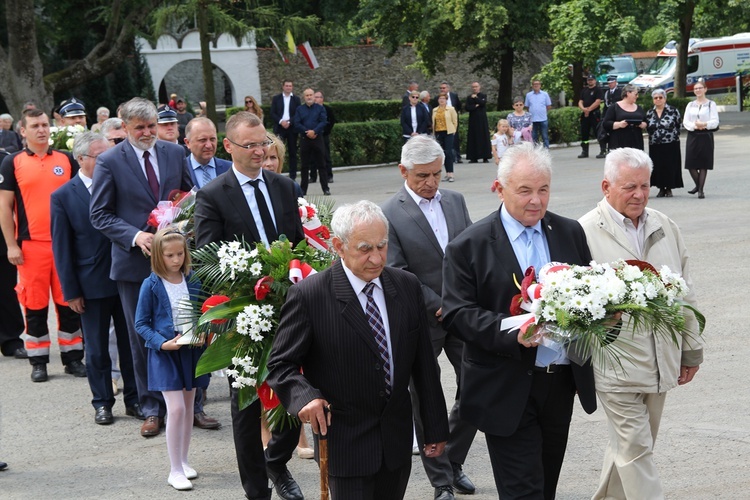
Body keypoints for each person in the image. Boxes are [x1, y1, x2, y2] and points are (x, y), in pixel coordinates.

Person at [441, 142, 597, 499]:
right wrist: (512, 333)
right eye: (525, 190)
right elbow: (457, 313)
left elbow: (587, 294)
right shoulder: (469, 245)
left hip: (559, 384)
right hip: (505, 386)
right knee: (523, 492)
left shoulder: (570, 231)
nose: (536, 201)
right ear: (500, 188)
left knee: (545, 488)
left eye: (543, 190)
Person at [267, 200, 450, 500]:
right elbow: (281, 364)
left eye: (382, 246)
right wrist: (306, 398)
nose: (376, 258)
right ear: (339, 246)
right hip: (344, 443)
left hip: (395, 443)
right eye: (365, 248)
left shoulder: (406, 286)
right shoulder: (310, 296)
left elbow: (424, 365)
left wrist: (434, 427)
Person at [578, 147, 704, 500]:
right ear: (606, 186)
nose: (639, 194)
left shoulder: (665, 225)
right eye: (629, 187)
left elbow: (684, 293)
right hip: (614, 365)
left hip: (661, 359)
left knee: (631, 448)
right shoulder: (583, 232)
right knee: (635, 447)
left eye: (645, 186)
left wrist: (691, 350)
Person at [193, 111, 305, 500]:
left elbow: (299, 245)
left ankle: (277, 460)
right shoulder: (211, 195)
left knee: (295, 394)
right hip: (244, 317)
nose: (260, 151)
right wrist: (249, 288)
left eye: (264, 144)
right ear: (229, 146)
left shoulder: (284, 186)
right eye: (250, 145)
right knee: (246, 407)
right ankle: (256, 490)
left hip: (291, 310)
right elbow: (207, 264)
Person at [90, 97, 194, 438]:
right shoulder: (108, 161)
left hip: (177, 261)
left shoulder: (175, 153)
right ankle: (152, 408)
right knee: (143, 336)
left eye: (151, 126)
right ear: (125, 127)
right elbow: (100, 214)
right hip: (134, 265)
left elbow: (190, 197)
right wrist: (136, 237)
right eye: (140, 128)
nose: (148, 133)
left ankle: (193, 401)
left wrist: (182, 225)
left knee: (185, 325)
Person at [381, 136, 476, 500]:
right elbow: (398, 271)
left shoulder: (455, 201)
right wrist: (440, 304)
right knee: (426, 398)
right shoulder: (390, 212)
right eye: (422, 176)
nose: (431, 183)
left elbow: (469, 253)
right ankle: (440, 481)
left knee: (477, 388)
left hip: (461, 315)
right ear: (403, 171)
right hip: (421, 319)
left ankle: (452, 461)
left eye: (436, 174)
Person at [50, 132, 139, 425]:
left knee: (130, 345)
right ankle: (102, 402)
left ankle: (135, 399)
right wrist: (71, 291)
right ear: (81, 159)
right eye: (100, 158)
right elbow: (62, 248)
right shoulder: (63, 196)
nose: (106, 163)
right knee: (98, 349)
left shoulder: (117, 185)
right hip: (91, 284)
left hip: (124, 277)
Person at [0, 109, 85, 383]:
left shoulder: (66, 159)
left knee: (69, 302)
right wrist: (11, 245)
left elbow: (78, 200)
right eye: (35, 125)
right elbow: (4, 206)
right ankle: (38, 361)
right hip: (31, 246)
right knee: (34, 306)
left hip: (65, 245)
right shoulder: (12, 162)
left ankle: (73, 358)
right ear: (22, 131)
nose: (41, 130)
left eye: (45, 124)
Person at [134, 228, 209, 491]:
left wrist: (202, 333)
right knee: (175, 409)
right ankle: (174, 469)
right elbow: (141, 323)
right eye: (169, 255)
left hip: (190, 352)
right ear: (158, 255)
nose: (176, 260)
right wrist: (162, 343)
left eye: (180, 254)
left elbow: (203, 312)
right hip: (165, 354)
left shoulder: (193, 279)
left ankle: (184, 461)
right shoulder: (151, 284)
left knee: (188, 408)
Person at [683, 78, 719, 199]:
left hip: (705, 135)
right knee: (691, 163)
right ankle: (698, 185)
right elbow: (685, 121)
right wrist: (694, 126)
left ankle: (700, 190)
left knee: (703, 163)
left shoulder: (711, 104)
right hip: (693, 135)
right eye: (695, 88)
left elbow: (715, 121)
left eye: (700, 88)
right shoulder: (690, 104)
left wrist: (704, 124)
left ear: (705, 89)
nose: (698, 90)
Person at [293, 88, 330, 196]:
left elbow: (323, 121)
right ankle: (303, 190)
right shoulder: (300, 109)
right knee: (304, 166)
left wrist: (314, 131)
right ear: (304, 97)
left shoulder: (320, 108)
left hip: (318, 138)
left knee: (321, 164)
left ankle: (325, 188)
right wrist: (307, 132)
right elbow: (297, 123)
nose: (309, 97)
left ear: (314, 96)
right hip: (305, 139)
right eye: (307, 95)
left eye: (311, 95)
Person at [646, 88, 683, 198]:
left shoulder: (672, 110)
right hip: (655, 144)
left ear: (665, 99)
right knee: (658, 166)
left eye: (660, 97)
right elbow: (647, 127)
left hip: (671, 143)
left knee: (670, 165)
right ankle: (661, 188)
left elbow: (678, 124)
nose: (658, 100)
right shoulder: (649, 113)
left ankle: (669, 188)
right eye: (655, 98)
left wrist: (674, 134)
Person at [184, 117, 231, 190]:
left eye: (212, 139)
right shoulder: (179, 172)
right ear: (188, 143)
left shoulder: (230, 169)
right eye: (202, 140)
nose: (209, 145)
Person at [270, 80, 301, 180]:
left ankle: (293, 176)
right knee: (278, 151)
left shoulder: (296, 99)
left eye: (290, 86)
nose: (288, 87)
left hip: (291, 128)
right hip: (280, 128)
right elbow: (272, 113)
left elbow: (298, 113)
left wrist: (290, 122)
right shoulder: (276, 99)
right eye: (286, 86)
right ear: (283, 87)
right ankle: (278, 173)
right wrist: (281, 121)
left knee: (292, 152)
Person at [602, 84, 646, 151]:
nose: (637, 96)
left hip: (636, 141)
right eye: (636, 94)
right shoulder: (614, 107)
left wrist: (643, 125)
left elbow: (645, 121)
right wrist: (619, 124)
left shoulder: (639, 108)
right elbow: (606, 123)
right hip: (619, 142)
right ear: (628, 93)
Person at [464, 81, 493, 163]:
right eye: (473, 87)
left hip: (482, 119)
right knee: (473, 137)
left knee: (483, 136)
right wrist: (475, 106)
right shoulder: (469, 97)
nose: (475, 88)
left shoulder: (483, 96)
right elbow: (467, 108)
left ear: (479, 87)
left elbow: (482, 103)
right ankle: (473, 157)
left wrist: (476, 99)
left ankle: (485, 156)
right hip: (473, 120)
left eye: (476, 86)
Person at [432, 93, 458, 182]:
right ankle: (446, 173)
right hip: (439, 132)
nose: (442, 100)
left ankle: (451, 173)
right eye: (440, 98)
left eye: (443, 98)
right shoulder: (435, 110)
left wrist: (453, 130)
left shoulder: (451, 109)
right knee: (441, 153)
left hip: (448, 132)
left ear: (446, 100)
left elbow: (455, 121)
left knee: (448, 152)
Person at [578, 74, 604, 158]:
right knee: (584, 133)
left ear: (595, 81)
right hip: (585, 114)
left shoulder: (598, 90)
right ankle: (585, 151)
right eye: (589, 80)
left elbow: (597, 102)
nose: (590, 81)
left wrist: (588, 110)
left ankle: (603, 150)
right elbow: (580, 102)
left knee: (598, 132)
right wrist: (584, 109)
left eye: (592, 80)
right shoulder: (584, 90)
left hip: (594, 114)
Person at [313, 91, 336, 184]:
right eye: (315, 97)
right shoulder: (311, 109)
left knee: (326, 156)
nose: (316, 99)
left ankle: (329, 176)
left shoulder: (327, 109)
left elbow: (332, 121)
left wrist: (326, 131)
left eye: (318, 97)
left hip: (323, 135)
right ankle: (313, 177)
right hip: (313, 135)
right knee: (312, 158)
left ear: (322, 99)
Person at [437, 82, 462, 163]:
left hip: (452, 119)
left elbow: (458, 106)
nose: (442, 89)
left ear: (448, 88)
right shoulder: (437, 98)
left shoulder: (454, 96)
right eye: (441, 88)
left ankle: (457, 156)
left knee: (455, 138)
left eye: (444, 88)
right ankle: (446, 158)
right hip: (443, 122)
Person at [598, 75, 622, 157]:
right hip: (609, 115)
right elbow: (606, 105)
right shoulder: (607, 92)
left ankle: (614, 149)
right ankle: (603, 150)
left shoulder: (621, 91)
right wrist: (603, 117)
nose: (610, 84)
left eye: (611, 83)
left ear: (615, 82)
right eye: (609, 83)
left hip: (618, 115)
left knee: (615, 134)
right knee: (603, 133)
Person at [524, 80, 552, 148]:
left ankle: (546, 150)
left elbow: (548, 106)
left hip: (543, 119)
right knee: (533, 137)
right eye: (534, 84)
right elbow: (527, 106)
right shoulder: (528, 95)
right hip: (532, 120)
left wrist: (542, 111)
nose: (536, 85)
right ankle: (535, 151)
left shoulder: (545, 94)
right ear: (532, 86)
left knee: (544, 136)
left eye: (537, 84)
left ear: (540, 85)